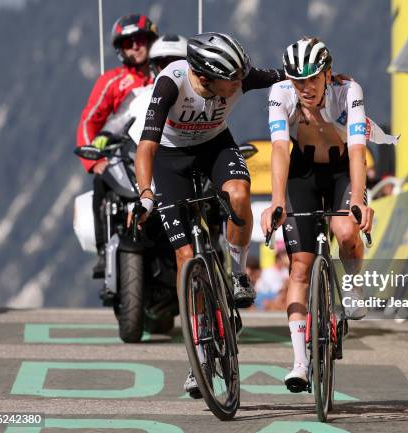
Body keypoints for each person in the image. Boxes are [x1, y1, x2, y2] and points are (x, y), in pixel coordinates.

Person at [133, 32, 287, 398]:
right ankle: (198, 357)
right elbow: (146, 146)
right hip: (171, 159)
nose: (238, 85)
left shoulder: (238, 75)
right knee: (186, 257)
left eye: (240, 79)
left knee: (238, 195)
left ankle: (236, 274)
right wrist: (145, 194)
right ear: (203, 76)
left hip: (214, 146)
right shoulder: (171, 83)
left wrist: (330, 77)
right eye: (230, 81)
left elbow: (286, 75)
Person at [260, 37, 374, 392]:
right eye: (298, 80)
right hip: (302, 173)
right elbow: (280, 148)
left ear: (327, 74)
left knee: (344, 229)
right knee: (300, 266)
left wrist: (358, 199)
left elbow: (357, 150)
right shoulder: (281, 93)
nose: (305, 88)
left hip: (341, 168)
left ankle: (352, 287)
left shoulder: (348, 90)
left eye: (311, 79)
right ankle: (299, 363)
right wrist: (277, 199)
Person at [76, 14, 158, 278]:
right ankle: (103, 251)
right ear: (120, 49)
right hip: (126, 157)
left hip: (164, 153)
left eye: (141, 39)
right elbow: (89, 121)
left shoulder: (167, 74)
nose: (135, 46)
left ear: (151, 41)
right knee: (102, 182)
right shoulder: (111, 81)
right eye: (127, 42)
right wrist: (94, 162)